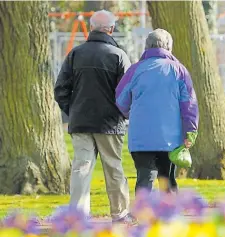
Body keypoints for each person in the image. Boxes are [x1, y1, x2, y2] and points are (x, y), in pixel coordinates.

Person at [54, 10, 136, 225]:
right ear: (111, 29)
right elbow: (128, 91)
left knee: (81, 168)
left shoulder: (75, 54)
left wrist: (72, 111)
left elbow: (61, 89)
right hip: (110, 122)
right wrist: (123, 114)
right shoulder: (118, 55)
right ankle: (119, 214)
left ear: (91, 28)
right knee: (114, 167)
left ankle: (77, 216)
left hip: (81, 121)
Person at [116, 29, 199, 193]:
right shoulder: (179, 71)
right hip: (170, 138)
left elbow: (121, 100)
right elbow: (189, 104)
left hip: (141, 137)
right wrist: (190, 130)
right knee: (167, 179)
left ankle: (142, 214)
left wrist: (129, 114)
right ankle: (170, 216)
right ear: (169, 47)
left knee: (144, 178)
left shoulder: (135, 70)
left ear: (147, 47)